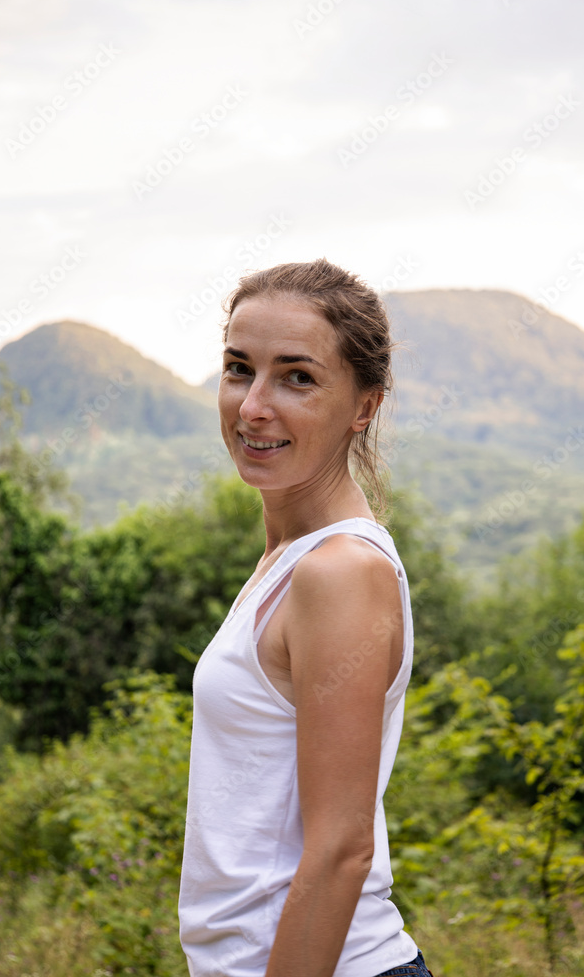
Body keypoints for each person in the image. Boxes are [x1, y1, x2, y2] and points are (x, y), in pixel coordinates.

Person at [178, 258, 434, 977]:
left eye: (297, 377)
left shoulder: (338, 572)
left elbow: (340, 849)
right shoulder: (286, 560)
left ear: (363, 406)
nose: (253, 405)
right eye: (238, 369)